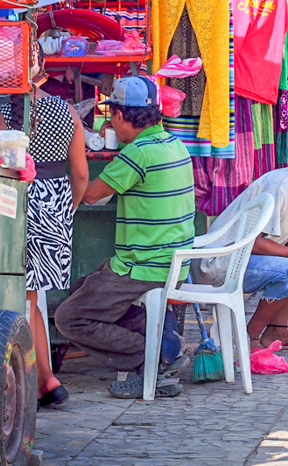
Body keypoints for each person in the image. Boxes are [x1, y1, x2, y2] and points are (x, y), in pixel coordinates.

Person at [55, 76, 196, 399]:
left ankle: (151, 357)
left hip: (144, 266)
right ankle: (162, 344)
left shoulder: (138, 154)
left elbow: (89, 195)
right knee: (82, 289)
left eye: (111, 117)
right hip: (169, 260)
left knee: (69, 317)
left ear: (119, 116)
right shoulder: (173, 144)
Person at [0, 88, 88, 409]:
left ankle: (34, 379)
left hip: (18, 201)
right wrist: (64, 211)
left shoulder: (0, 112)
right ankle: (46, 378)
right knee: (30, 297)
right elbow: (81, 174)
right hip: (56, 202)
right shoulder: (67, 112)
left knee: (22, 296)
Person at [190, 147, 288, 349]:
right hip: (218, 263)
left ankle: (276, 329)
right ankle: (251, 337)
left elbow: (279, 233)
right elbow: (254, 241)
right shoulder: (280, 186)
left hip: (243, 257)